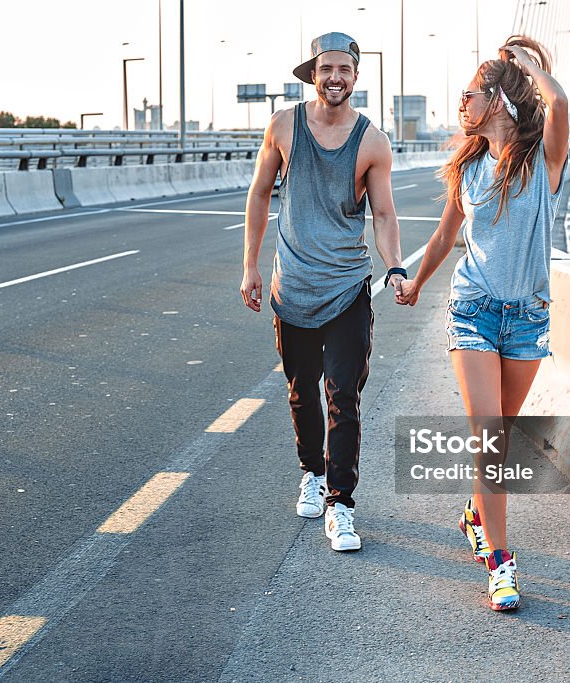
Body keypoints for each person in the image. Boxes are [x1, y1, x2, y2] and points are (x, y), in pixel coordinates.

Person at [395, 36, 568, 609]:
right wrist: (417, 283)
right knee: (489, 440)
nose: (461, 103)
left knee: (499, 442)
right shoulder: (467, 168)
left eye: (470, 93)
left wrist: (531, 69)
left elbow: (559, 107)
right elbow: (446, 235)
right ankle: (500, 560)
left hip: (526, 319)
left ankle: (474, 512)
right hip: (472, 312)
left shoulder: (542, 162)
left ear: (497, 99)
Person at [240, 32, 405, 552]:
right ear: (314, 73)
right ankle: (311, 472)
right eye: (326, 68)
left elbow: (382, 213)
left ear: (356, 77)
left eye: (345, 70)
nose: (335, 78)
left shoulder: (373, 142)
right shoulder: (284, 126)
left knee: (343, 397)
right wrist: (250, 267)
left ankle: (342, 504)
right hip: (293, 288)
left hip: (348, 288)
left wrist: (395, 267)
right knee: (300, 393)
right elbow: (260, 194)